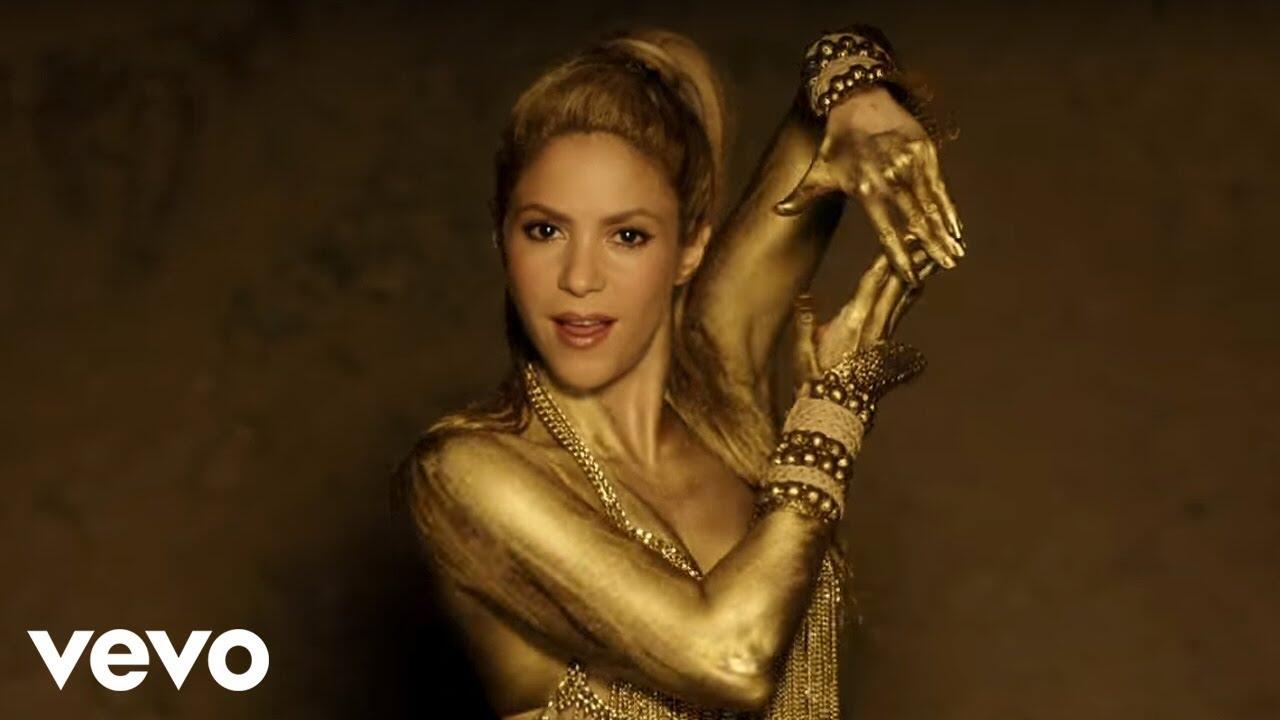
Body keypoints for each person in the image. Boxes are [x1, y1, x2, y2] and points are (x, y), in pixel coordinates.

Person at [395, 22, 964, 719]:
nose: (579, 278)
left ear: (690, 249)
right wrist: (834, 410)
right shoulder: (464, 475)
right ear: (500, 238)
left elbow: (831, 104)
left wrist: (859, 93)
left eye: (627, 236)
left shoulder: (718, 393)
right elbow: (730, 659)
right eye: (544, 230)